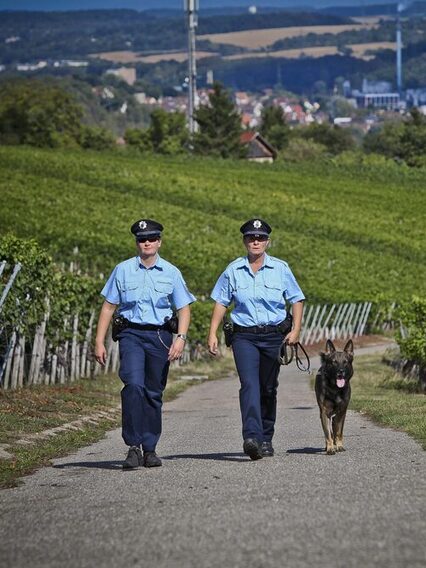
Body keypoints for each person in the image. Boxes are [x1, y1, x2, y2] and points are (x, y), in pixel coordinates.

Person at [95, 219, 196, 469]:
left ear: (159, 242)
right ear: (136, 242)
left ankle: (150, 449)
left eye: (151, 238)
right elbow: (109, 307)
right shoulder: (122, 270)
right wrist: (99, 341)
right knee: (133, 386)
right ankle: (133, 446)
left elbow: (183, 308)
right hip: (130, 335)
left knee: (153, 393)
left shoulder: (171, 272)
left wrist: (181, 338)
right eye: (142, 239)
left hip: (159, 337)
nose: (147, 242)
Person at [208, 218, 305, 460]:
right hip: (244, 337)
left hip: (274, 336)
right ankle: (252, 437)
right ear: (244, 241)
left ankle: (266, 437)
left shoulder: (281, 269)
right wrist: (212, 332)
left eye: (260, 238)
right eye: (251, 237)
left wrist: (296, 330)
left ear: (267, 242)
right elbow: (221, 302)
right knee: (249, 385)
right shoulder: (233, 270)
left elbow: (296, 299)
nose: (255, 241)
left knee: (268, 388)